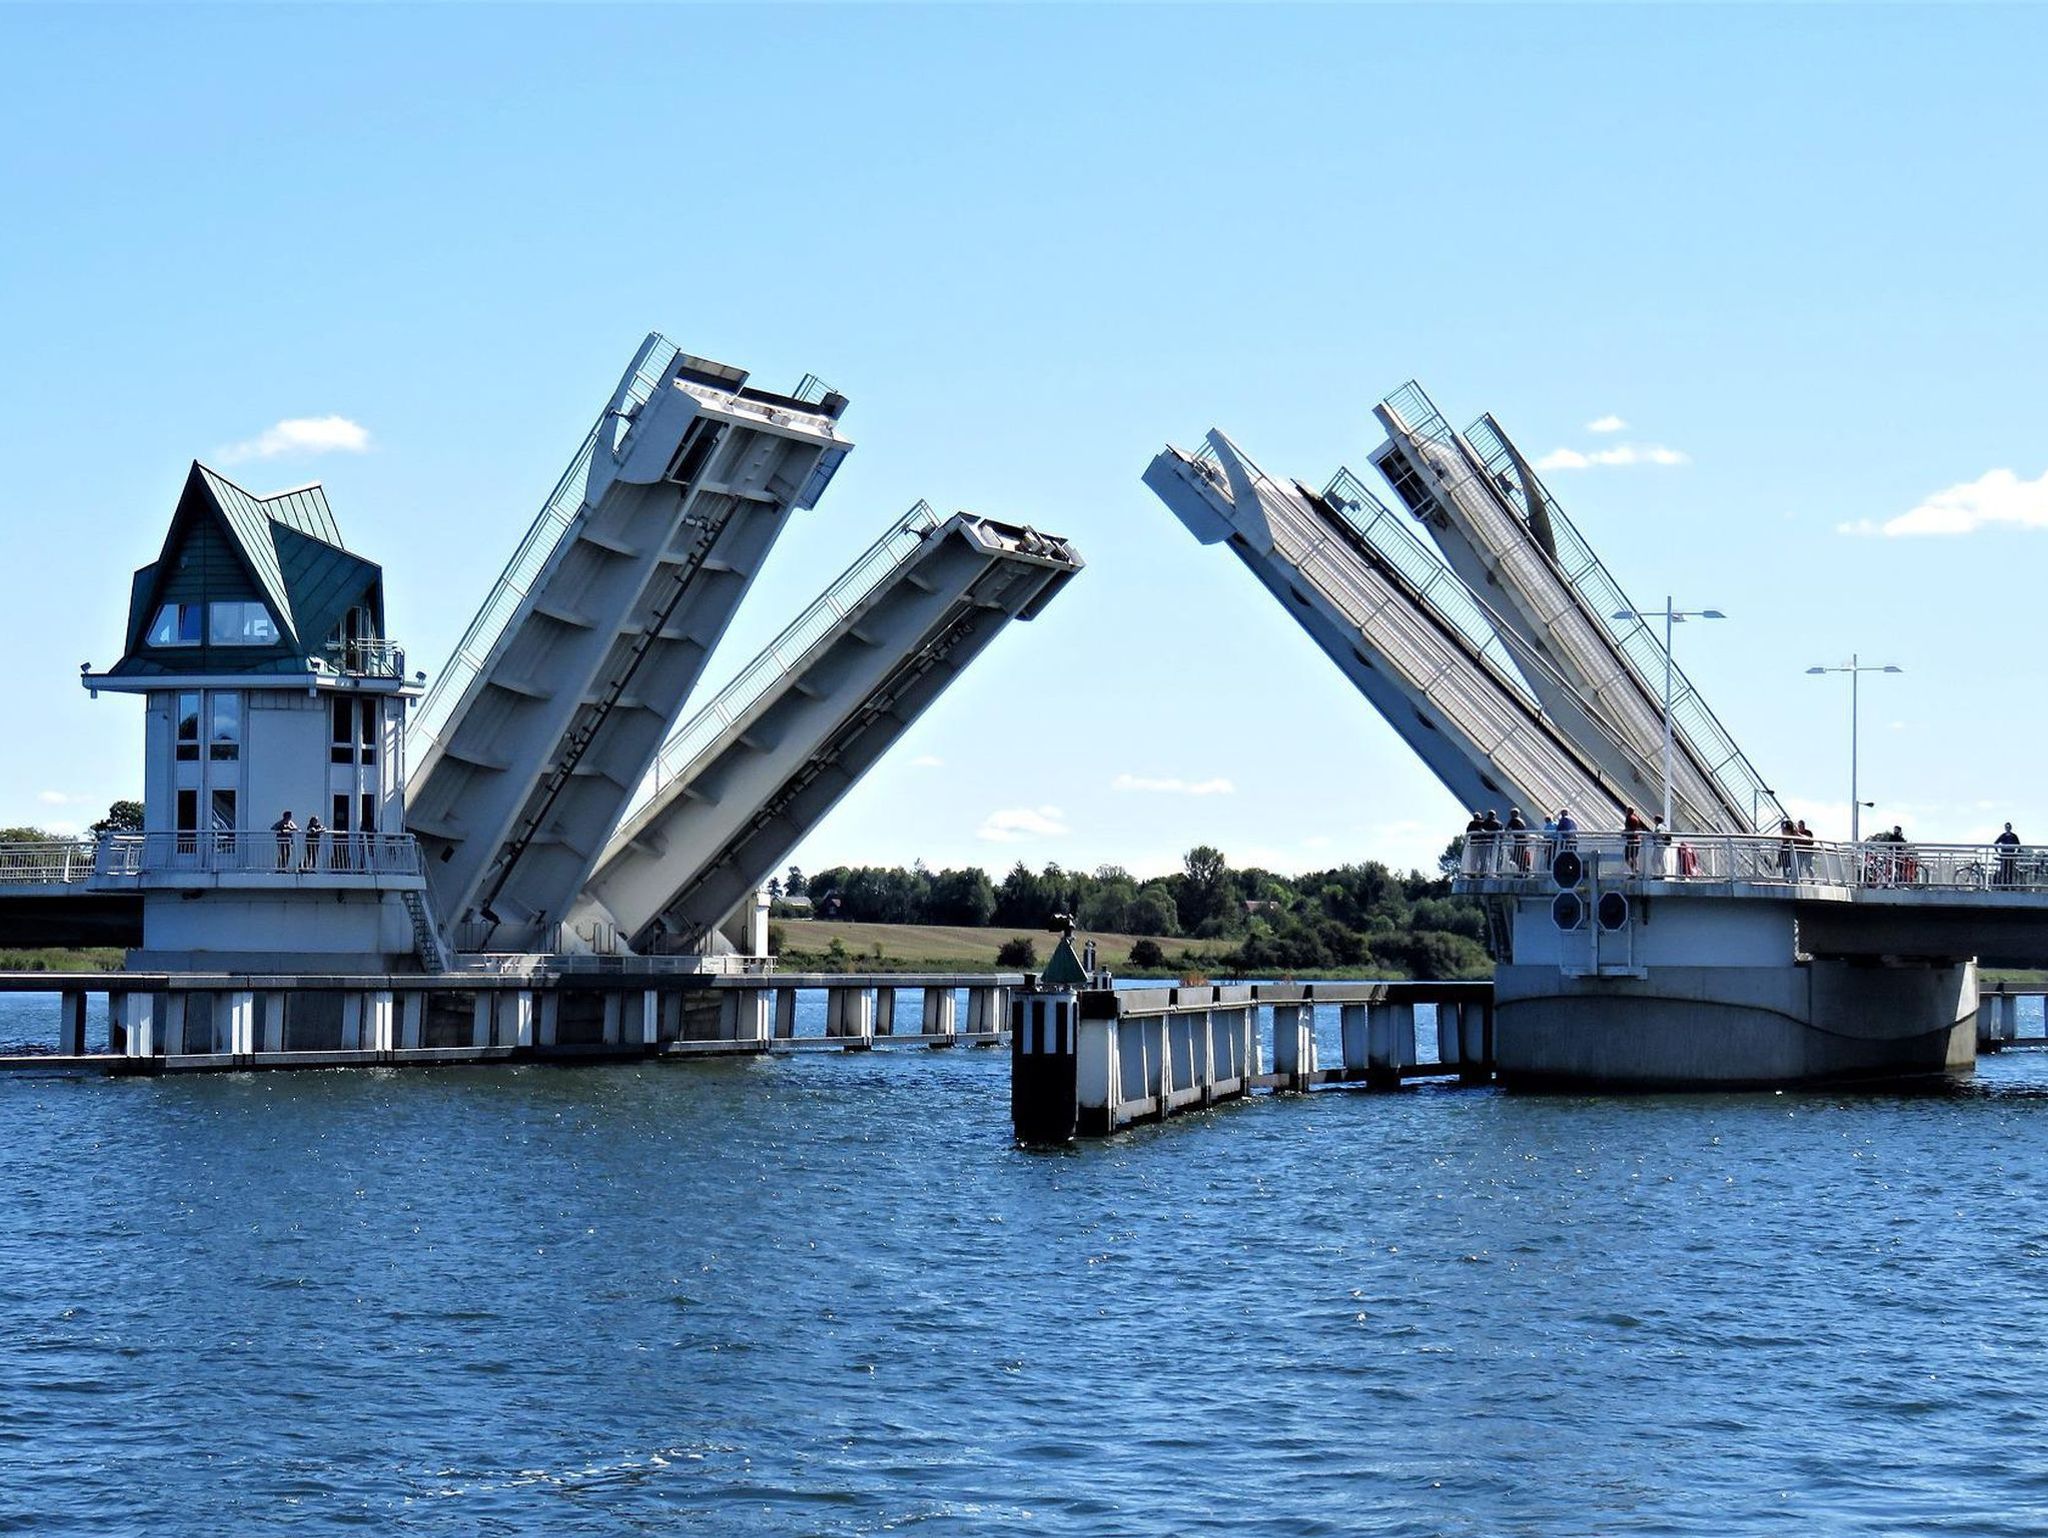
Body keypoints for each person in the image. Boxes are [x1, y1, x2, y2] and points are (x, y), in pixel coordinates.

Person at [1622, 806, 1648, 871]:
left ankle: (1633, 869)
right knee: (1634, 856)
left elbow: (1628, 828)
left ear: (1628, 811)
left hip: (1631, 839)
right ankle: (1635, 869)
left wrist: (1623, 833)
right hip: (1636, 839)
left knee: (1627, 857)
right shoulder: (1636, 818)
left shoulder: (1629, 818)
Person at [1996, 822, 2021, 888]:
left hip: (2011, 856)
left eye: (2008, 827)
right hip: (2004, 856)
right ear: (2005, 828)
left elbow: (2019, 846)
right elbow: (1995, 843)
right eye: (2006, 827)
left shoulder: (2014, 836)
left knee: (2011, 871)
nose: (2007, 828)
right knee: (2003, 871)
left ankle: (2011, 885)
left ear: (2010, 827)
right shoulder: (2003, 836)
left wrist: (2016, 854)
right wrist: (1999, 853)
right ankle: (2004, 886)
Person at [1506, 807, 1531, 873]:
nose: (1510, 815)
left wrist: (1507, 834)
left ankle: (1522, 870)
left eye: (1511, 813)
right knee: (1521, 855)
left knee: (1517, 856)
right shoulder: (1521, 820)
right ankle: (1524, 869)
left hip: (1519, 840)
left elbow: (1507, 829)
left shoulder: (1513, 820)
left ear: (1514, 814)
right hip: (1524, 840)